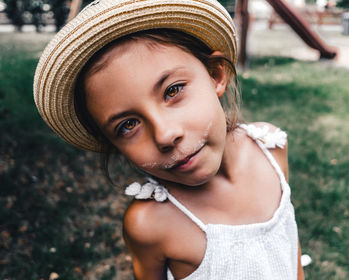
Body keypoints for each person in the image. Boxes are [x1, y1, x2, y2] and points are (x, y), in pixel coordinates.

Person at [33, 0, 304, 279]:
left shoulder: (271, 148)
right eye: (128, 125)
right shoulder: (149, 224)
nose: (165, 135)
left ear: (215, 75)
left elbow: (289, 247)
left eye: (172, 90)